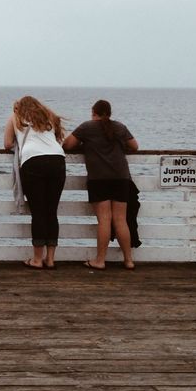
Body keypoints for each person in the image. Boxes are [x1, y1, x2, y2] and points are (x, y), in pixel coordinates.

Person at [63, 99, 139, 270]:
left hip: (99, 179)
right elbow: (134, 146)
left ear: (93, 112)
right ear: (110, 113)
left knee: (104, 220)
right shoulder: (119, 127)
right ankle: (128, 260)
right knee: (121, 219)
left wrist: (85, 145)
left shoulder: (87, 127)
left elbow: (67, 144)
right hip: (121, 177)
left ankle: (100, 260)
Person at [3, 96, 67, 270]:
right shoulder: (50, 117)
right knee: (51, 211)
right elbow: (58, 139)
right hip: (57, 160)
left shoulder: (15, 118)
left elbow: (7, 143)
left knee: (38, 212)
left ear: (19, 108)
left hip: (33, 162)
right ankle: (51, 259)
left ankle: (37, 259)